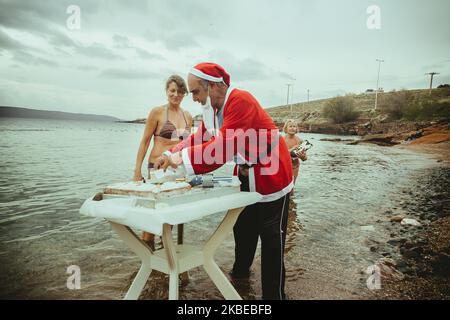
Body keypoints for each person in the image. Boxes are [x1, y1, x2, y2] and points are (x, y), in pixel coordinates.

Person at [154, 62, 293, 300]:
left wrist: (182, 159)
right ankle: (240, 280)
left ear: (214, 86)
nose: (194, 98)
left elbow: (222, 149)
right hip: (246, 171)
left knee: (271, 238)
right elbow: (199, 137)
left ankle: (274, 297)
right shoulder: (212, 109)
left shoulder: (240, 100)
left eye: (196, 91)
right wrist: (170, 153)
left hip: (272, 173)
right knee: (243, 228)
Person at [133, 75, 192, 249]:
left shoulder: (187, 115)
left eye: (180, 92)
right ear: (167, 91)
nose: (176, 95)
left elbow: (189, 144)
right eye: (172, 91)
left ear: (184, 94)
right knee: (154, 214)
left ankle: (163, 254)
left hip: (179, 170)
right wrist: (137, 171)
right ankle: (147, 254)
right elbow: (144, 142)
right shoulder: (157, 112)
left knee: (170, 213)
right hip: (157, 169)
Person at [283, 119, 307, 185]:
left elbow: (305, 158)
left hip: (295, 166)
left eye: (294, 126)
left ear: (296, 129)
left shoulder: (300, 141)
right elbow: (280, 155)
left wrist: (302, 157)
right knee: (285, 186)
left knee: (292, 186)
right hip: (284, 166)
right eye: (290, 126)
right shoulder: (282, 140)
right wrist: (292, 149)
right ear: (286, 128)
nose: (292, 128)